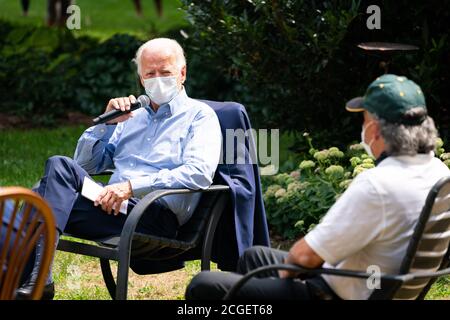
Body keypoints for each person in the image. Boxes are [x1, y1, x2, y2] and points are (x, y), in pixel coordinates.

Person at [186, 74, 450, 300]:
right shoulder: (439, 173)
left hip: (331, 293)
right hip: (379, 284)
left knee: (204, 286)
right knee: (254, 257)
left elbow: (304, 258)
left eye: (365, 119)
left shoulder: (377, 185)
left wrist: (288, 278)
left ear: (377, 130)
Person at [15, 38, 222, 299]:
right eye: (150, 73)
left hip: (153, 214)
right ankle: (37, 282)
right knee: (55, 174)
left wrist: (131, 187)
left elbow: (199, 172)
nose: (157, 79)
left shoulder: (200, 116)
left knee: (39, 198)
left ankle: (31, 281)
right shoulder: (132, 117)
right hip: (110, 205)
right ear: (140, 78)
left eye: (165, 72)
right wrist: (107, 123)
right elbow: (84, 165)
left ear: (182, 73)